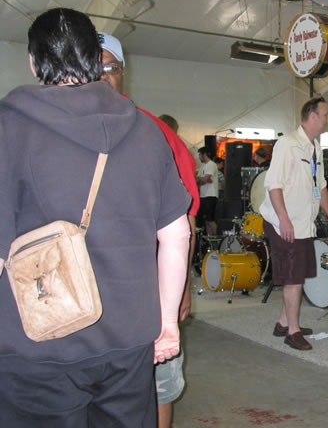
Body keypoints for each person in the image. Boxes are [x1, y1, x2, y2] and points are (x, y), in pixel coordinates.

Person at [0, 8, 190, 426]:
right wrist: (167, 323)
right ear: (93, 59)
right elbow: (177, 234)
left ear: (33, 62)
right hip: (128, 345)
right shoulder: (147, 131)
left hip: (38, 346)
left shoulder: (9, 128)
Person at [99, 34, 199, 428]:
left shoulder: (156, 132)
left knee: (158, 387)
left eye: (110, 67)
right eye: (93, 66)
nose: (102, 75)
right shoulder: (61, 130)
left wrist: (181, 288)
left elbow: (185, 218)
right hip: (84, 294)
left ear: (123, 72)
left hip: (148, 292)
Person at [259, 96, 328, 351]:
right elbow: (274, 185)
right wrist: (284, 220)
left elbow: (321, 187)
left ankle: (284, 323)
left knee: (296, 275)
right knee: (294, 278)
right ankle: (293, 332)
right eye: (326, 115)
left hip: (303, 224)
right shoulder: (287, 144)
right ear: (313, 116)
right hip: (284, 224)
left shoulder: (314, 147)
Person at [197, 146, 219, 236]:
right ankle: (210, 239)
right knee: (206, 220)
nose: (199, 157)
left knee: (210, 220)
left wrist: (202, 179)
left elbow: (204, 180)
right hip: (203, 195)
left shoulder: (211, 165)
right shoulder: (203, 166)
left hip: (210, 195)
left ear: (204, 154)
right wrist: (201, 179)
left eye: (200, 155)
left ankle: (217, 237)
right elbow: (197, 179)